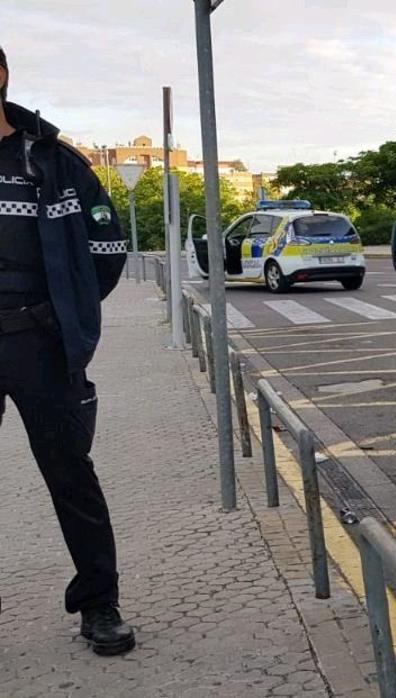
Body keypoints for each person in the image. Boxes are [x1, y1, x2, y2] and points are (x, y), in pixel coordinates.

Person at [0, 45, 134, 655]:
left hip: (38, 342)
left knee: (70, 475)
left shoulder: (50, 162)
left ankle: (98, 604)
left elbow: (107, 246)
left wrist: (64, 316)